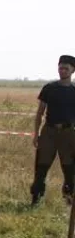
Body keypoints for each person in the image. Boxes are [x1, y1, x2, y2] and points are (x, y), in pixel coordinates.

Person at [30, 55, 75, 206]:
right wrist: (36, 134)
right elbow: (39, 113)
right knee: (41, 167)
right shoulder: (49, 88)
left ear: (72, 70)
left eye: (66, 68)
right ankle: (36, 199)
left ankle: (69, 200)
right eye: (60, 67)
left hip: (68, 134)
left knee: (69, 169)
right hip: (49, 132)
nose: (62, 71)